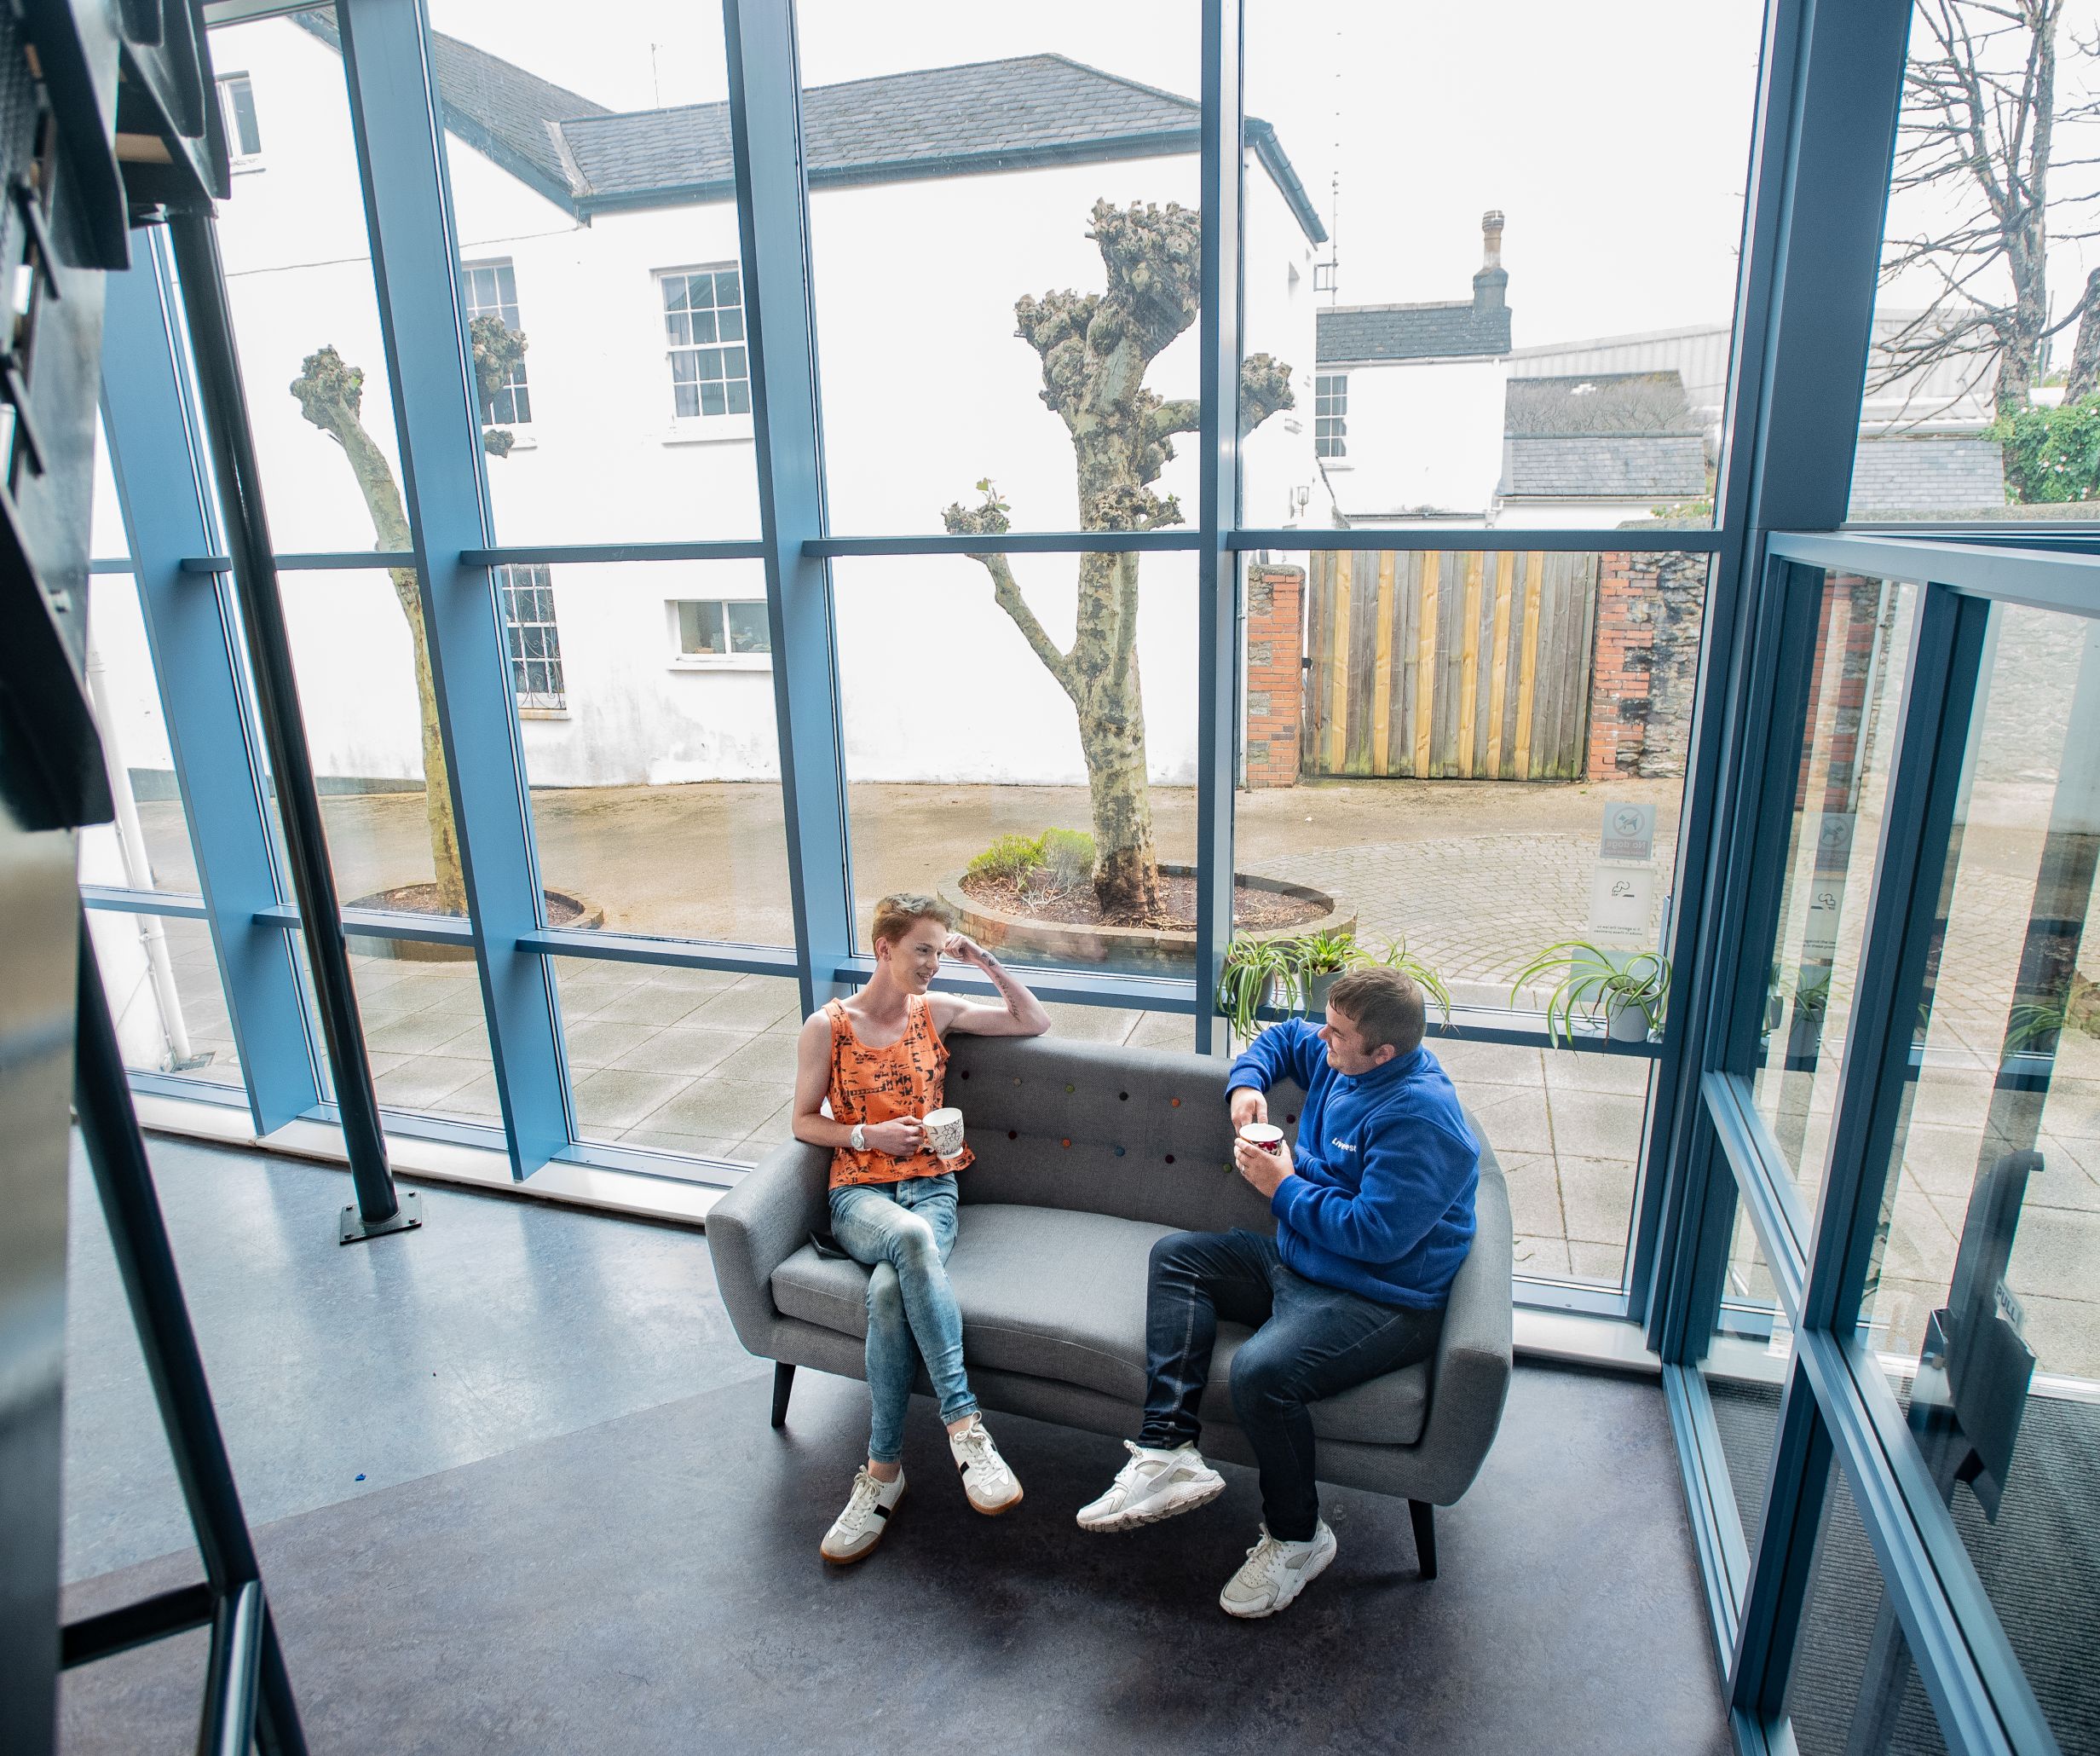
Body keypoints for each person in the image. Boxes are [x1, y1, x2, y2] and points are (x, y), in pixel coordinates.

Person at [1076, 966, 1478, 1618]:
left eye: (1339, 1033)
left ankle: (1298, 1538)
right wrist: (1245, 1083)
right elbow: (1282, 1038)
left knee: (1261, 1374)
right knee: (1180, 1258)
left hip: (1383, 1298)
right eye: (1329, 1021)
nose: (1324, 1036)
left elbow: (1377, 1235)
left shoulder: (1423, 1120)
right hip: (1305, 1260)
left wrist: (1281, 1186)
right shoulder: (1336, 1056)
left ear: (1384, 1054)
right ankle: (1167, 1451)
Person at [790, 892, 1053, 1564]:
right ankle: (966, 1427)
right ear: (884, 948)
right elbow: (802, 1122)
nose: (935, 963)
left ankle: (881, 1476)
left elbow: (1035, 1019)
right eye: (923, 950)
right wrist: (865, 1132)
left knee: (886, 1294)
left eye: (941, 949)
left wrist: (984, 958)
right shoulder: (829, 1027)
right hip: (859, 1197)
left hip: (932, 1188)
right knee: (907, 1240)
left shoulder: (935, 1012)